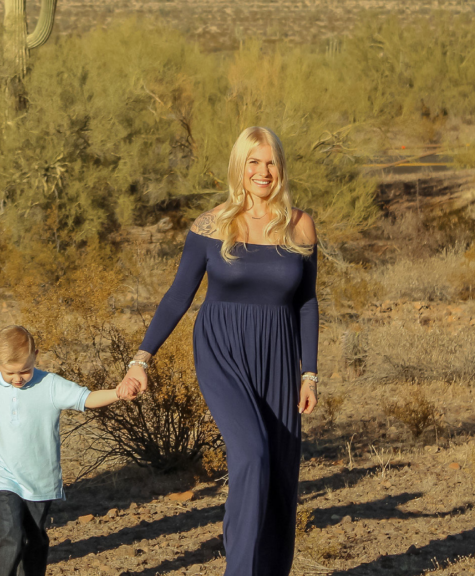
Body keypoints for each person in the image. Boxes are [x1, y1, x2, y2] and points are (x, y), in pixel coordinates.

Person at [121, 126, 319, 576]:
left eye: (270, 162)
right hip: (222, 351)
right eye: (254, 162)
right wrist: (141, 359)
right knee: (252, 455)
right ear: (239, 167)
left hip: (279, 355)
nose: (263, 171)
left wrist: (309, 374)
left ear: (281, 167)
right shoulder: (211, 225)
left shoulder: (299, 225)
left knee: (279, 471)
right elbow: (178, 295)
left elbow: (307, 302)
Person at [0, 325, 138, 576]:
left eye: (24, 370)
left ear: (35, 356)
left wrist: (118, 393)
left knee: (34, 538)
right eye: (9, 372)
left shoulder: (50, 385)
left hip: (40, 479)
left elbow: (87, 398)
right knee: (10, 535)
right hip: (4, 475)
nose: (17, 378)